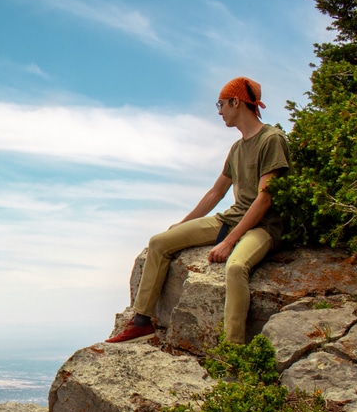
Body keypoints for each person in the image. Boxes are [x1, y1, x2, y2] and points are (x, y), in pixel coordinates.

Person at [106, 77, 291, 345]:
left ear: (236, 102)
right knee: (159, 242)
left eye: (221, 104)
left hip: (263, 226)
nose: (219, 111)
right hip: (231, 218)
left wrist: (229, 242)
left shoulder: (271, 139)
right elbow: (216, 192)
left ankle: (233, 349)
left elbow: (264, 200)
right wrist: (182, 225)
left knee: (235, 268)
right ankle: (141, 323)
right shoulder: (237, 147)